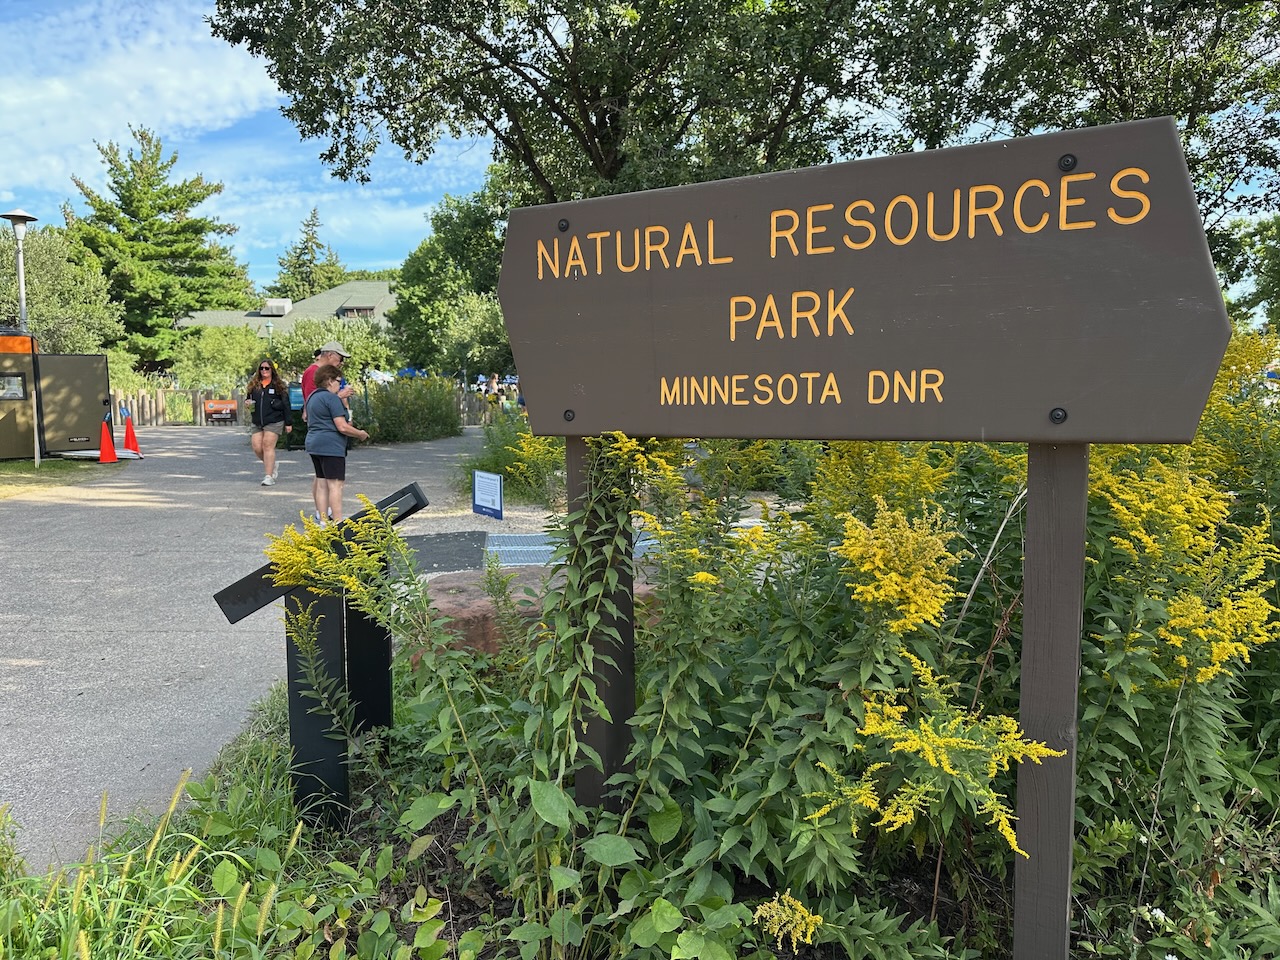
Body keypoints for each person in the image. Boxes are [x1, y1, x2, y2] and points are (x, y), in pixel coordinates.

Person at [304, 363, 368, 524]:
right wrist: (360, 434)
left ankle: (323, 521)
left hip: (314, 443)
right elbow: (342, 426)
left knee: (321, 483)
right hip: (331, 446)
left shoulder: (312, 397)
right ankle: (338, 523)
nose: (340, 385)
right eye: (339, 381)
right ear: (329, 380)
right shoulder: (331, 398)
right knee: (336, 485)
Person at [246, 359, 292, 486]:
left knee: (267, 445)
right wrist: (247, 403)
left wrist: (288, 423)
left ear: (272, 370)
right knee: (257, 447)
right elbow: (248, 399)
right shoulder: (254, 385)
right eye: (262, 368)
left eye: (267, 368)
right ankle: (272, 464)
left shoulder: (278, 386)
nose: (264, 370)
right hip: (257, 420)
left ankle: (268, 476)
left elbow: (286, 404)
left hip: (274, 420)